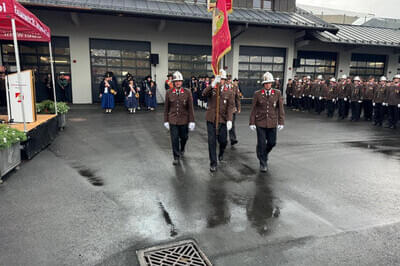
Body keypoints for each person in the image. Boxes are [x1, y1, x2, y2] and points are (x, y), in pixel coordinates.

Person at [249, 72, 285, 173]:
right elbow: (254, 109)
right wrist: (252, 122)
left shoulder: (277, 93)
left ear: (271, 83)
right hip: (260, 122)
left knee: (272, 143)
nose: (267, 85)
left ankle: (262, 154)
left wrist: (281, 122)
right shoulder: (257, 94)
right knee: (261, 143)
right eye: (266, 83)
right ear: (263, 84)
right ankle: (263, 163)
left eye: (269, 83)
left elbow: (280, 109)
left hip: (272, 122)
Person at [202, 69, 234, 172]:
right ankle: (213, 163)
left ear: (225, 80)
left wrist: (229, 120)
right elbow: (204, 94)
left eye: (222, 79)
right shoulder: (212, 89)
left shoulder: (229, 92)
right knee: (212, 141)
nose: (221, 81)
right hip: (211, 119)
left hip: (222, 120)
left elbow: (230, 107)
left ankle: (221, 152)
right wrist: (212, 84)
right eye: (219, 79)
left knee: (223, 141)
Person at [164, 71, 195, 165]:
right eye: (176, 81)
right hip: (173, 120)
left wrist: (192, 121)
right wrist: (166, 120)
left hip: (184, 120)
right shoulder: (169, 92)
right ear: (173, 82)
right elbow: (166, 108)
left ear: (182, 82)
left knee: (184, 137)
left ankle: (182, 148)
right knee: (174, 139)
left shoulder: (187, 92)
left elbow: (190, 108)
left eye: (179, 81)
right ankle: (176, 157)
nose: (178, 83)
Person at [229, 77, 241, 146]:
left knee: (232, 125)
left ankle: (233, 139)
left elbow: (237, 98)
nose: (228, 81)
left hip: (232, 109)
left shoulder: (235, 87)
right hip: (224, 110)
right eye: (227, 80)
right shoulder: (221, 87)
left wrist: (238, 107)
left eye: (229, 79)